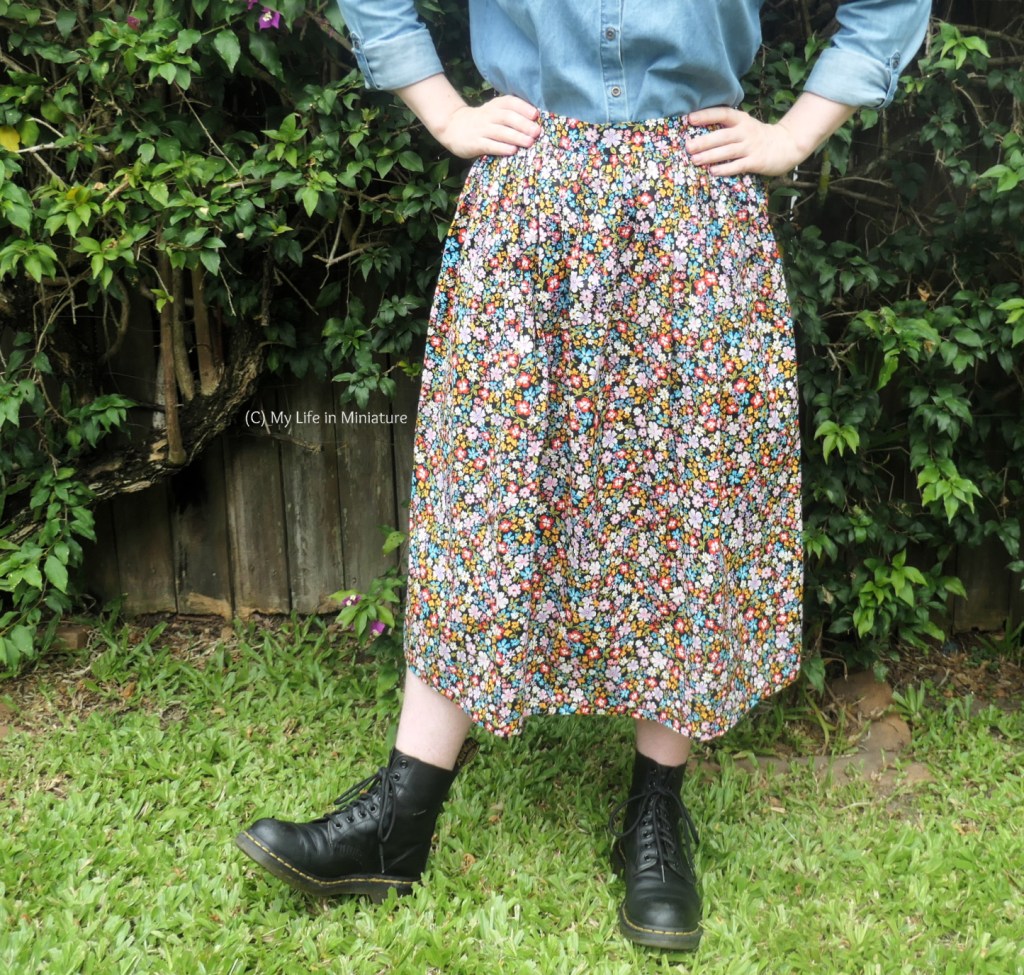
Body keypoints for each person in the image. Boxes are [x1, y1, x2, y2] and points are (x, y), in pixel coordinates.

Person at [236, 0, 931, 952]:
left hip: (695, 209)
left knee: (687, 502)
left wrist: (798, 130)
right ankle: (402, 817)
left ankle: (656, 814)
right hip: (528, 205)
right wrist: (442, 108)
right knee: (484, 494)